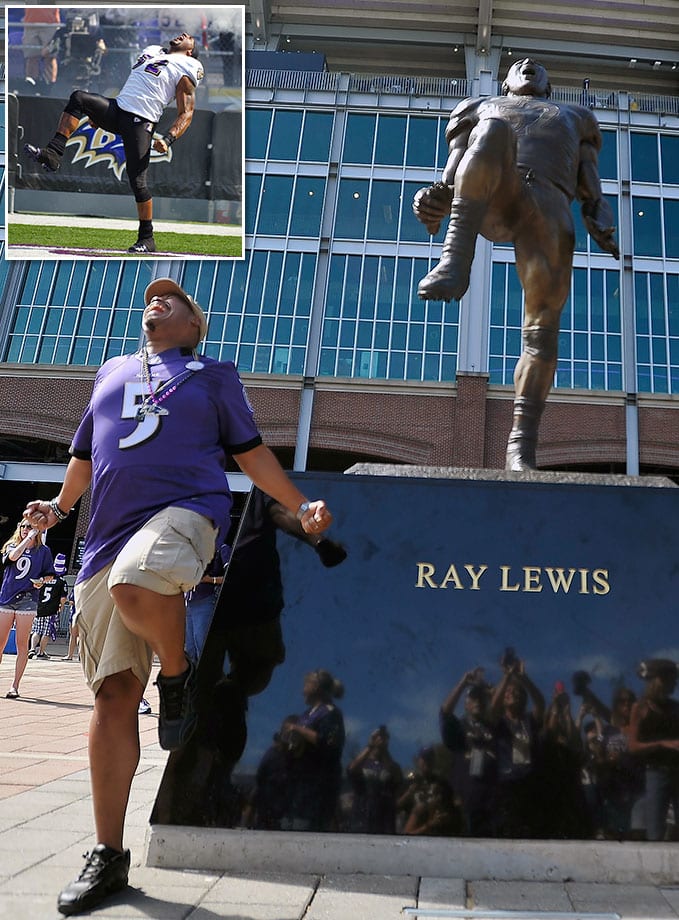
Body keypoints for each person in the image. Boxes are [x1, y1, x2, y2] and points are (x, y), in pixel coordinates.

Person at [23, 276, 334, 917]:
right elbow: (85, 454)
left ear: (195, 325)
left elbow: (250, 454)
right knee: (111, 695)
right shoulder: (111, 370)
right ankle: (108, 855)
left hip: (184, 513)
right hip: (103, 536)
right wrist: (58, 506)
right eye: (152, 298)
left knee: (137, 581)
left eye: (174, 299)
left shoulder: (213, 374)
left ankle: (178, 674)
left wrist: (300, 506)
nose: (156, 301)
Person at [412, 58, 619, 471]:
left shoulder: (576, 117)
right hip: (499, 193)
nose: (528, 65)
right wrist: (433, 198)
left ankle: (520, 448)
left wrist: (598, 212)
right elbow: (451, 176)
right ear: (503, 81)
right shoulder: (479, 107)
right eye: (518, 65)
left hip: (551, 207)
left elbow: (589, 181)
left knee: (542, 335)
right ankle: (455, 258)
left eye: (537, 66)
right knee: (493, 129)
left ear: (547, 85)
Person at [23, 32, 204, 254]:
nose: (183, 34)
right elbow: (136, 85)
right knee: (79, 98)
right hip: (118, 109)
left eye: (190, 37)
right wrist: (99, 116)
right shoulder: (152, 50)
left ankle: (147, 238)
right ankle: (53, 153)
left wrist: (168, 138)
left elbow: (187, 112)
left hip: (141, 121)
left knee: (138, 182)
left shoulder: (188, 65)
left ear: (189, 51)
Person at [282, 669, 346, 832]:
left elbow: (328, 743)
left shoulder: (330, 713)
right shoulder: (306, 715)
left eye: (307, 683)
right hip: (297, 789)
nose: (303, 687)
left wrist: (298, 730)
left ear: (316, 686)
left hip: (316, 792)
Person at [439, 668, 497, 836]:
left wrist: (492, 693)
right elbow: (445, 713)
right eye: (473, 698)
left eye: (481, 698)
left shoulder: (493, 728)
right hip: (465, 801)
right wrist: (463, 683)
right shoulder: (460, 726)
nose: (478, 702)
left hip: (491, 803)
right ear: (466, 704)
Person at [0, 521, 55, 699]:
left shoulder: (43, 551)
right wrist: (27, 539)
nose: (25, 529)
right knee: (0, 643)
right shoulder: (11, 545)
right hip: (7, 598)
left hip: (28, 599)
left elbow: (50, 573)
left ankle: (15, 685)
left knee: (22, 644)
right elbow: (13, 557)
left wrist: (42, 580)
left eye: (30, 527)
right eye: (23, 526)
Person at [627, 659, 679, 841]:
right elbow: (633, 746)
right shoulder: (640, 708)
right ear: (661, 680)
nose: (676, 683)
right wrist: (662, 744)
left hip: (677, 771)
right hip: (657, 773)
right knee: (654, 830)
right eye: (673, 679)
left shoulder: (675, 708)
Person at [347, 725, 403, 834]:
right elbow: (351, 769)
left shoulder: (390, 764)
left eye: (383, 737)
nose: (380, 739)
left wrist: (385, 750)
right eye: (377, 736)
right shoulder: (362, 762)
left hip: (384, 820)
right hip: (362, 817)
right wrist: (370, 746)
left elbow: (397, 777)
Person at [29, 552, 69, 660]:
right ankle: (41, 652)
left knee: (37, 630)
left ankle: (32, 649)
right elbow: (63, 598)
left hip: (40, 608)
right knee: (46, 632)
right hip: (52, 610)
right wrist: (61, 607)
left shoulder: (44, 580)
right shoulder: (62, 582)